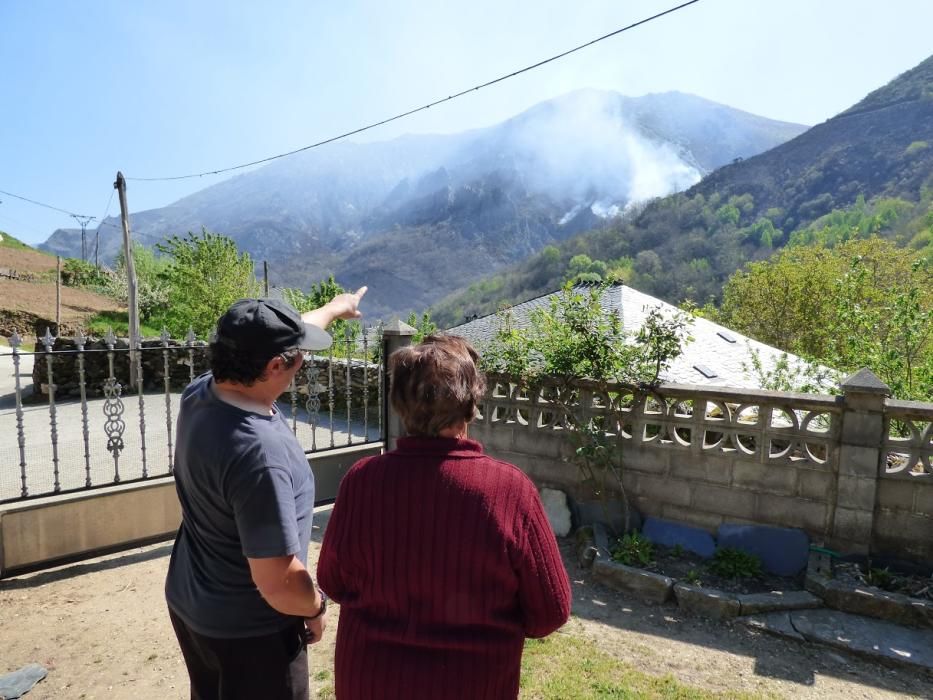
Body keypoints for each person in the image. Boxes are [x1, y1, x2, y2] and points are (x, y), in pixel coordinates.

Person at [317, 334, 571, 699]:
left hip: (372, 681)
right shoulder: (509, 490)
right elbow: (550, 611)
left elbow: (333, 580)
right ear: (470, 405)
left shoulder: (362, 480)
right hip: (473, 683)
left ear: (398, 404)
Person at [165, 288, 367, 700]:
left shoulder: (202, 393)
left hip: (193, 602)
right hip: (250, 633)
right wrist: (315, 607)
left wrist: (334, 308)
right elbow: (277, 582)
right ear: (275, 365)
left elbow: (285, 332)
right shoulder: (258, 455)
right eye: (297, 357)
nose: (303, 361)